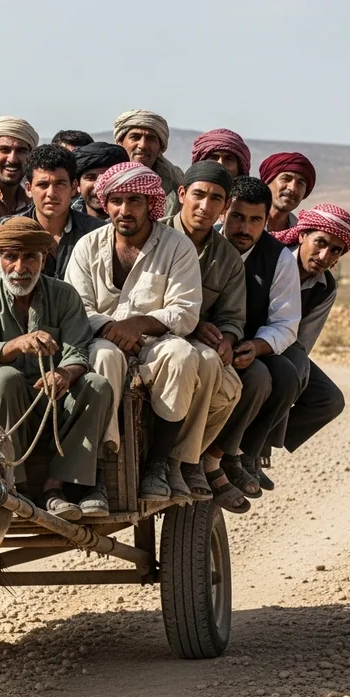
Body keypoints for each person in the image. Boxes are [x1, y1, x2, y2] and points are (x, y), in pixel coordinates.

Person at [65, 162, 206, 503]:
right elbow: (76, 307)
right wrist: (113, 327)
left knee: (182, 355)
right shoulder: (87, 246)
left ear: (150, 204)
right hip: (103, 340)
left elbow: (185, 312)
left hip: (154, 345)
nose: (124, 210)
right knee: (103, 356)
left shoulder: (177, 247)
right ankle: (98, 468)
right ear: (106, 203)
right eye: (116, 201)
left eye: (134, 201)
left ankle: (158, 465)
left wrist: (140, 324)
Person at [0, 217, 112, 521]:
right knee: (4, 378)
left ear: (43, 258)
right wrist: (16, 345)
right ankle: (12, 486)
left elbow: (77, 351)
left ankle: (56, 487)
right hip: (6, 406)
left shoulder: (64, 295)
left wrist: (65, 374)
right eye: (11, 257)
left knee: (97, 385)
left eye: (30, 256)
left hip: (54, 404)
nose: (20, 267)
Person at [161, 162, 246, 511]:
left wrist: (227, 337)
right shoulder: (155, 237)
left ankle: (188, 459)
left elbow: (232, 316)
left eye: (216, 199)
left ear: (225, 207)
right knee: (201, 364)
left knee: (230, 388)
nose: (204, 206)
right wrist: (189, 324)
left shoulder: (228, 258)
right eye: (198, 194)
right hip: (156, 337)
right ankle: (171, 463)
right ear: (182, 194)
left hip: (198, 345)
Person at [210, 177, 302, 495]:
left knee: (287, 376)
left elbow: (286, 323)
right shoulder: (203, 243)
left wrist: (256, 346)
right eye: (237, 216)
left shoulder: (279, 259)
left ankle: (244, 455)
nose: (244, 228)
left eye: (255, 220)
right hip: (204, 342)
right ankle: (217, 456)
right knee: (259, 377)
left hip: (249, 346)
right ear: (223, 212)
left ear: (266, 221)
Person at [268, 204, 350, 451]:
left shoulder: (326, 287)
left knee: (329, 400)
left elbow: (301, 344)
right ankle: (253, 453)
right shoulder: (271, 257)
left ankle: (260, 444)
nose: (324, 256)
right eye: (320, 243)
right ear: (302, 235)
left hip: (283, 348)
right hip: (248, 337)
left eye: (335, 251)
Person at [0, 144, 104, 280]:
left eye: (60, 184)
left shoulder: (96, 232)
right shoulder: (11, 231)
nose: (51, 193)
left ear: (73, 187)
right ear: (29, 189)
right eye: (43, 185)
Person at [113, 110, 185, 217]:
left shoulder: (177, 180)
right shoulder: (107, 176)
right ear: (120, 142)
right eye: (135, 137)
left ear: (160, 146)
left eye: (151, 139)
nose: (142, 145)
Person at [259, 152, 316, 233]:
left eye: (300, 183)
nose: (292, 188)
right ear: (268, 181)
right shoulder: (244, 223)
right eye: (286, 179)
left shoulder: (301, 236)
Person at [71, 142, 129, 219]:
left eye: (107, 177)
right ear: (77, 185)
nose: (99, 185)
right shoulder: (62, 221)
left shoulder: (138, 223)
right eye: (91, 177)